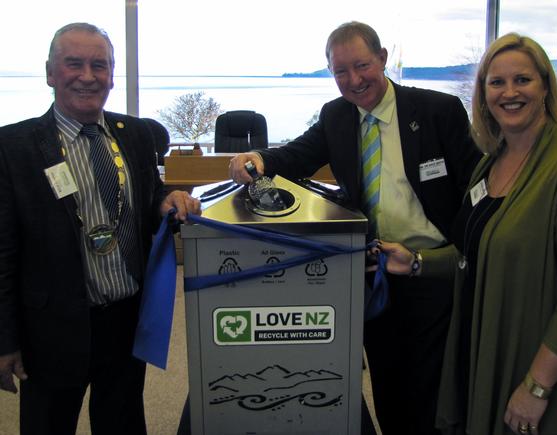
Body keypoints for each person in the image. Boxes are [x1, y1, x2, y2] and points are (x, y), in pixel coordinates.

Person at [229, 21, 481, 435]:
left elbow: (474, 189)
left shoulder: (438, 111)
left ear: (382, 59)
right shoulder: (336, 116)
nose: (354, 80)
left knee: (432, 388)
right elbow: (297, 155)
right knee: (387, 380)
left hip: (432, 271)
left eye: (362, 65)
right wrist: (256, 157)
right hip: (373, 272)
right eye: (340, 71)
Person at [374, 33, 557, 435]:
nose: (509, 93)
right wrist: (417, 263)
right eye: (496, 82)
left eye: (523, 80)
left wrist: (537, 386)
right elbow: (472, 253)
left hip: (532, 359)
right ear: (483, 94)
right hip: (481, 347)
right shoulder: (491, 164)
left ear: (545, 86)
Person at [0, 22, 200, 435]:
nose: (88, 76)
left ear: (112, 73)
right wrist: (5, 340)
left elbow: (149, 197)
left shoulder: (137, 134)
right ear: (51, 73)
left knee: (123, 422)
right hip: (52, 326)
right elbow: (3, 252)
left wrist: (167, 201)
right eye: (74, 64)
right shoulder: (12, 148)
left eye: (100, 65)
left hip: (126, 318)